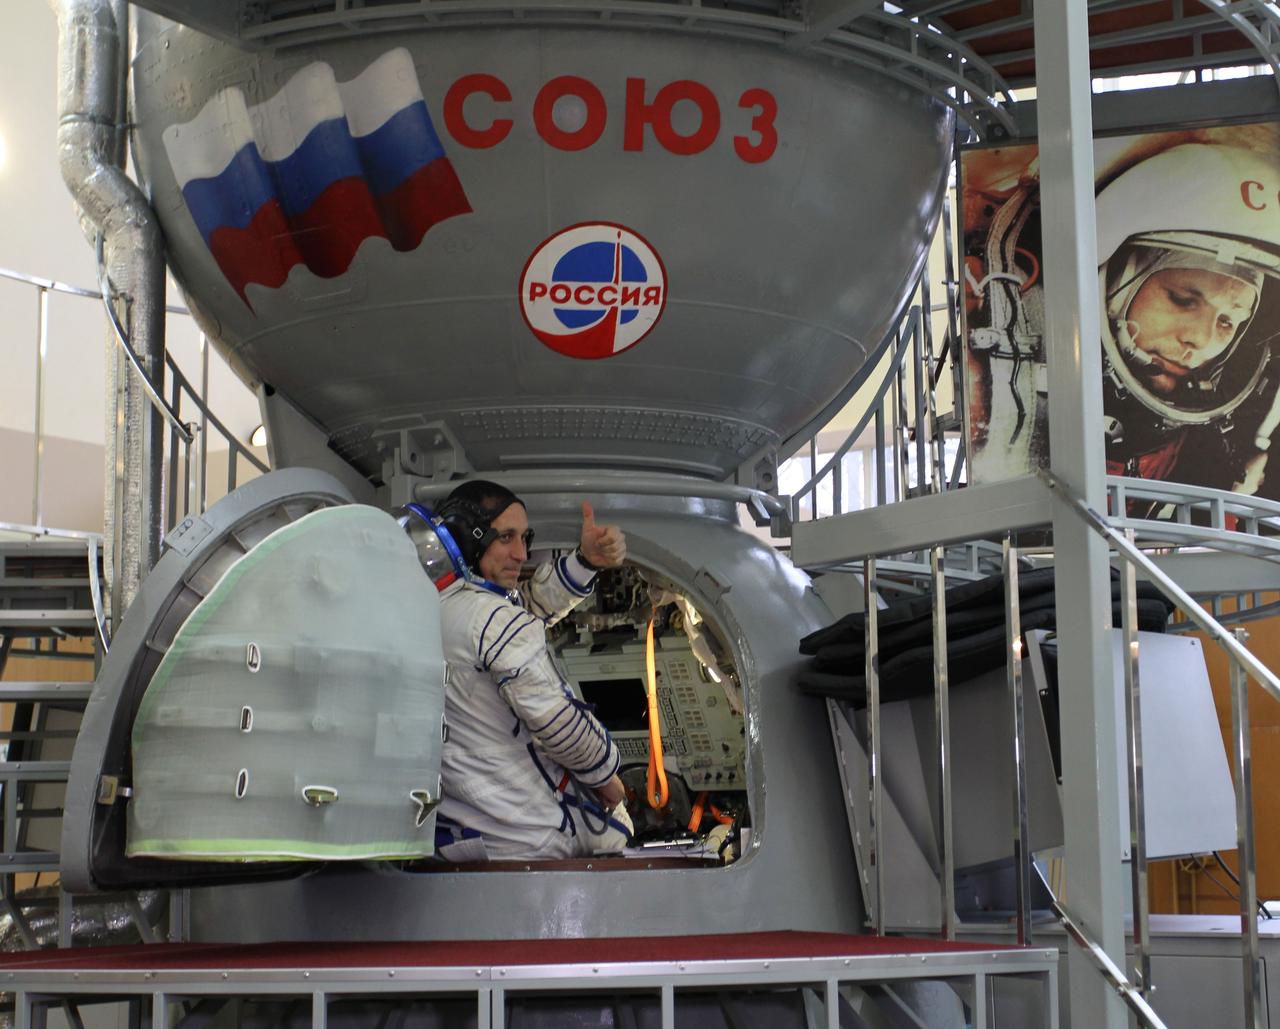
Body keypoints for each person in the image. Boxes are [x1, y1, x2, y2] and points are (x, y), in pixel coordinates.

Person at [406, 480, 631, 861]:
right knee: (618, 830)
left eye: (525, 538)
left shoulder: (433, 611)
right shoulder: (490, 618)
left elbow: (519, 613)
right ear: (465, 537)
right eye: (506, 537)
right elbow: (558, 724)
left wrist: (585, 561)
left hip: (459, 837)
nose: (522, 553)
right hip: (532, 839)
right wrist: (609, 780)